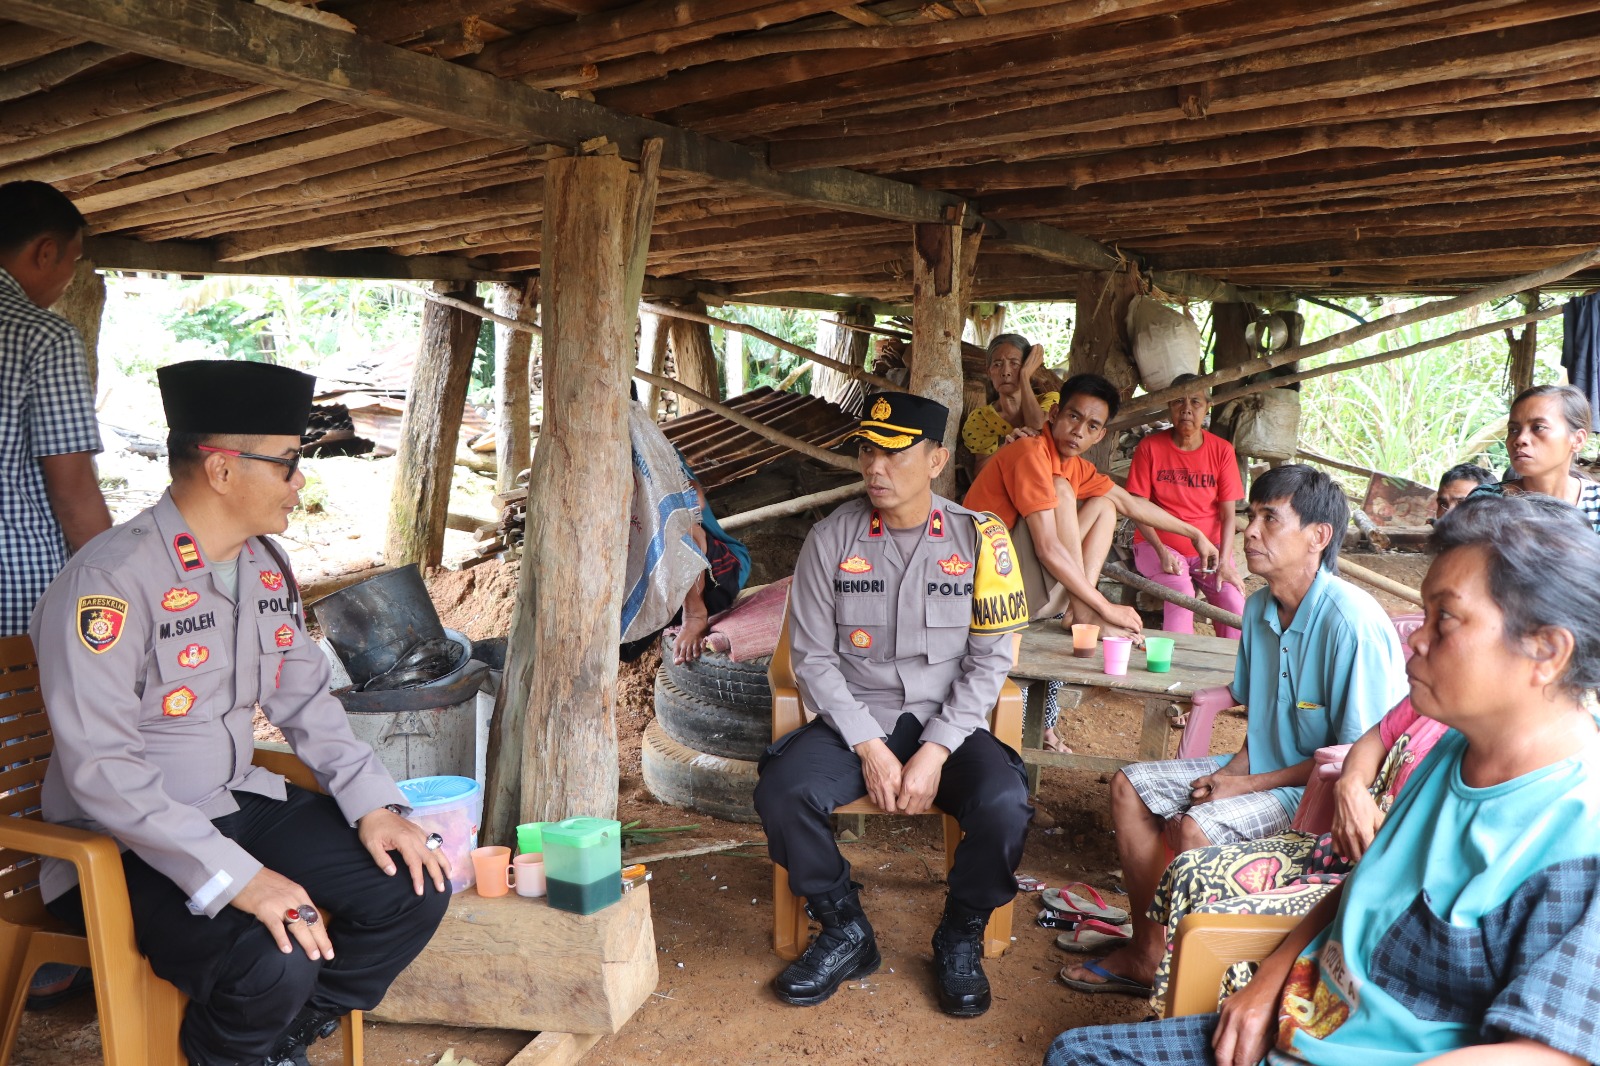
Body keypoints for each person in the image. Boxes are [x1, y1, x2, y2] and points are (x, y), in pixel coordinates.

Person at [1047, 493, 1600, 1066]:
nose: (1415, 637)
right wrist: (1266, 987)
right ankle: (1147, 951)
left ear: (1547, 650)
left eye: (1447, 619)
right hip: (1300, 1022)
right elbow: (1366, 884)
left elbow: (1554, 1052)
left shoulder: (1579, 832)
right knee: (1074, 1054)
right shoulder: (1456, 748)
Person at [29, 360, 450, 1066]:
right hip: (120, 842)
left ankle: (266, 1044)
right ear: (223, 470)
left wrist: (374, 802)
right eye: (287, 463)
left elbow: (304, 699)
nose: (301, 480)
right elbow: (102, 771)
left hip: (233, 799)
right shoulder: (109, 582)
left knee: (414, 883)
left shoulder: (261, 565)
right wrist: (239, 878)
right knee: (273, 954)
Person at [1060, 465, 1405, 998]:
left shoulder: (1351, 622)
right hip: (1265, 773)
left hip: (1320, 793)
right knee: (1131, 786)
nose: (1249, 531)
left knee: (1199, 825)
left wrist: (1240, 786)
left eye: (1271, 518)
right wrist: (1228, 772)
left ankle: (1195, 982)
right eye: (1251, 515)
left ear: (1318, 536)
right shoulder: (1262, 607)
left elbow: (1352, 758)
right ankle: (1148, 953)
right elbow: (1260, 721)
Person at [754, 391, 1032, 1018]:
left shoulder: (983, 539)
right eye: (866, 450)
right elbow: (813, 658)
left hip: (948, 723)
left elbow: (991, 659)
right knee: (782, 790)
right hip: (859, 718)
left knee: (1004, 801)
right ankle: (845, 926)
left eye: (894, 453)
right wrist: (869, 746)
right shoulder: (831, 538)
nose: (875, 467)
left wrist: (935, 749)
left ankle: (960, 934)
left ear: (936, 461)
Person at [1136, 696, 1448, 1014]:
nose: (1419, 644)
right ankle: (1177, 1016)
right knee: (1192, 869)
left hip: (1381, 885)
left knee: (1222, 925)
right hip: (1337, 856)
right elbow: (1372, 740)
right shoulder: (1430, 697)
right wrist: (1351, 786)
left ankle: (1225, 1026)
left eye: (1438, 641)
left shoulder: (1487, 746)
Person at [964, 372, 1220, 641]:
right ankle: (1084, 611)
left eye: (1092, 426)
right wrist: (1103, 605)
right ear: (1053, 413)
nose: (1079, 431)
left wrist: (1196, 534)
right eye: (1073, 417)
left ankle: (1078, 612)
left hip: (1027, 591)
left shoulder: (1076, 467)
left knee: (1104, 505)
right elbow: (1047, 548)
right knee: (1062, 489)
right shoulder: (1029, 452)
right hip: (993, 592)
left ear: (1100, 436)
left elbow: (1130, 504)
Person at [0, 180, 112, 638]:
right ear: (46, 252)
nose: (71, 273)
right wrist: (115, 580)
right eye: (74, 259)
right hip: (15, 587)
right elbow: (74, 493)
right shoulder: (43, 337)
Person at [1126, 373, 1246, 639]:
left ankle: (1233, 671)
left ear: (1207, 406)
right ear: (1169, 406)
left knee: (1234, 603)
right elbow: (1137, 508)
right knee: (1181, 593)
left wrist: (1224, 562)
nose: (1187, 409)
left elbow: (1228, 516)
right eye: (1178, 401)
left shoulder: (1222, 451)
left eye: (1195, 401)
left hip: (1209, 551)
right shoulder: (1150, 447)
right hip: (1157, 545)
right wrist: (1160, 550)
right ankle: (1173, 670)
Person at [1470, 383, 1600, 532]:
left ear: (1577, 440)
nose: (1520, 439)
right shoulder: (1486, 500)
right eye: (1513, 429)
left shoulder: (1597, 503)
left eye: (1538, 427)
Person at [667, 450, 751, 664]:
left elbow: (693, 500)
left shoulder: (655, 454)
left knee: (678, 522)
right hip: (664, 594)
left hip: (717, 577)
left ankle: (695, 615)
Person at [961, 333, 1059, 474]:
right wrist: (1008, 447)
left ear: (1028, 367)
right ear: (989, 372)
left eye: (1014, 364)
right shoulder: (982, 419)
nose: (1005, 372)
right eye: (997, 364)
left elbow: (1037, 425)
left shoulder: (1050, 401)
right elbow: (981, 473)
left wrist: (1024, 376)